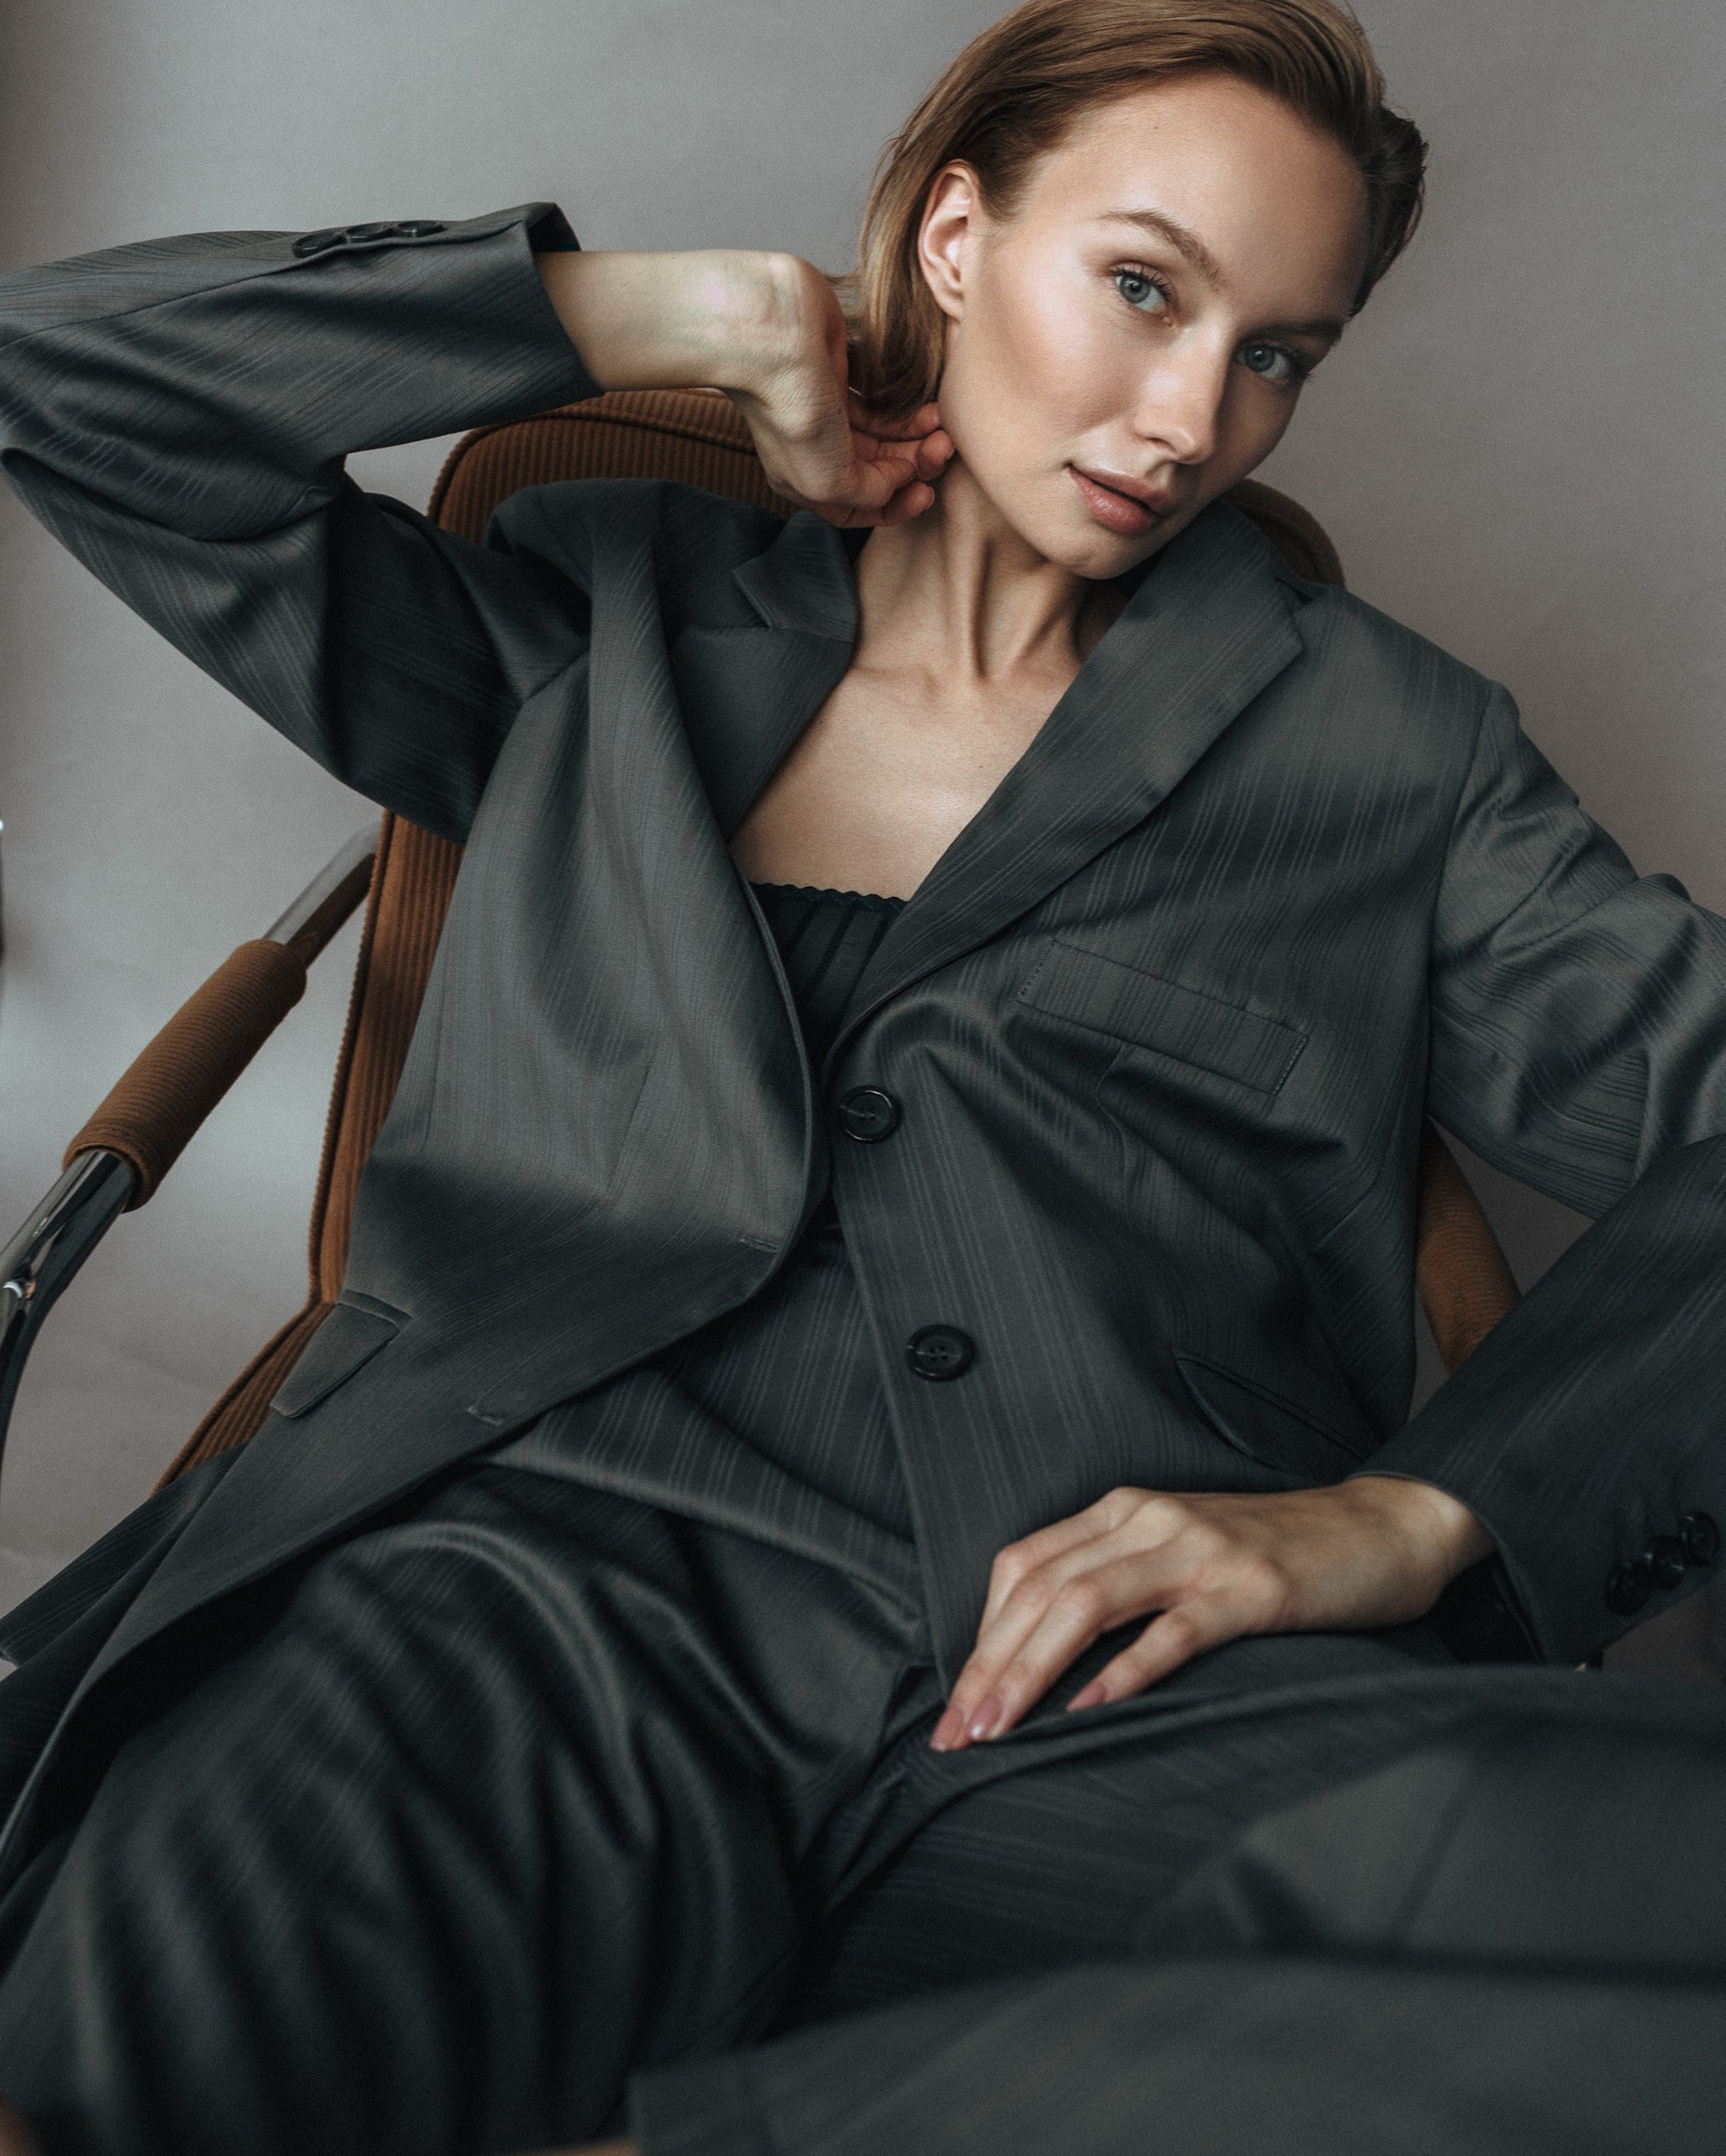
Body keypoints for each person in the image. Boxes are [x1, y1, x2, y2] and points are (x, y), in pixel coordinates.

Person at [1, 1, 1726, 2151]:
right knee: (144, 2066)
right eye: (1144, 287)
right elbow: (69, 381)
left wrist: (1413, 1514)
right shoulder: (599, 627)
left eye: (1280, 352)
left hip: (1117, 1678)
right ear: (956, 240)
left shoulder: (1396, 753)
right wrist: (670, 316)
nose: (1194, 417)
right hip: (516, 1593)